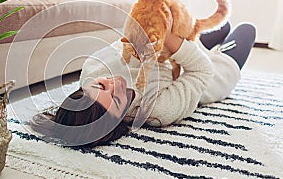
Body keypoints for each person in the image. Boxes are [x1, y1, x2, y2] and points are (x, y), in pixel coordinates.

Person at [31, 22, 256, 147]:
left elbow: (124, 40)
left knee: (222, 24)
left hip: (168, 50)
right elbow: (201, 71)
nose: (115, 84)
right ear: (119, 120)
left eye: (101, 86)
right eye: (117, 98)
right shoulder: (158, 110)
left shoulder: (93, 69)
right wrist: (176, 46)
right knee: (246, 29)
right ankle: (207, 44)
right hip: (207, 70)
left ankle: (198, 36)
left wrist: (146, 38)